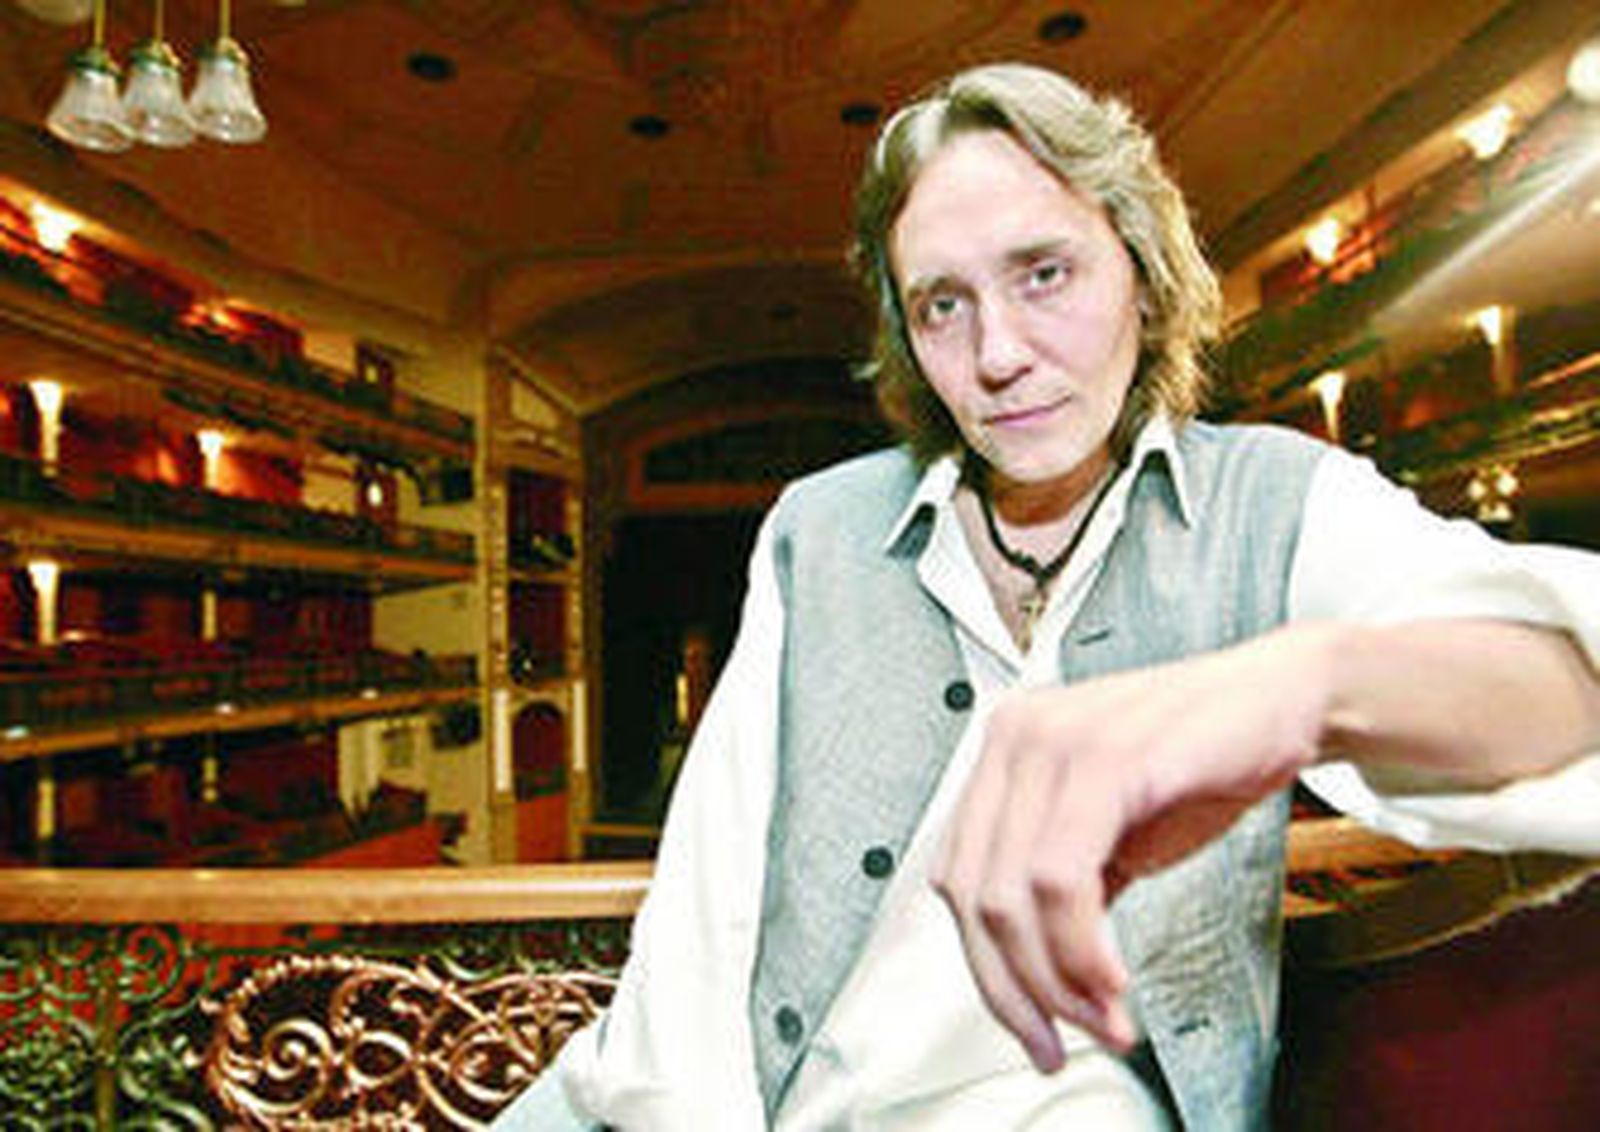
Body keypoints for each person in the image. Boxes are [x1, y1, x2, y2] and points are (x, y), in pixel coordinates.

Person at [497, 62, 1600, 1130]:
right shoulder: (817, 529)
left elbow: (1575, 691)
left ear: (1142, 273)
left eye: (1043, 273)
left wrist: (1303, 685)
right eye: (941, 304)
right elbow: (706, 923)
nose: (997, 355)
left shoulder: (1273, 503)